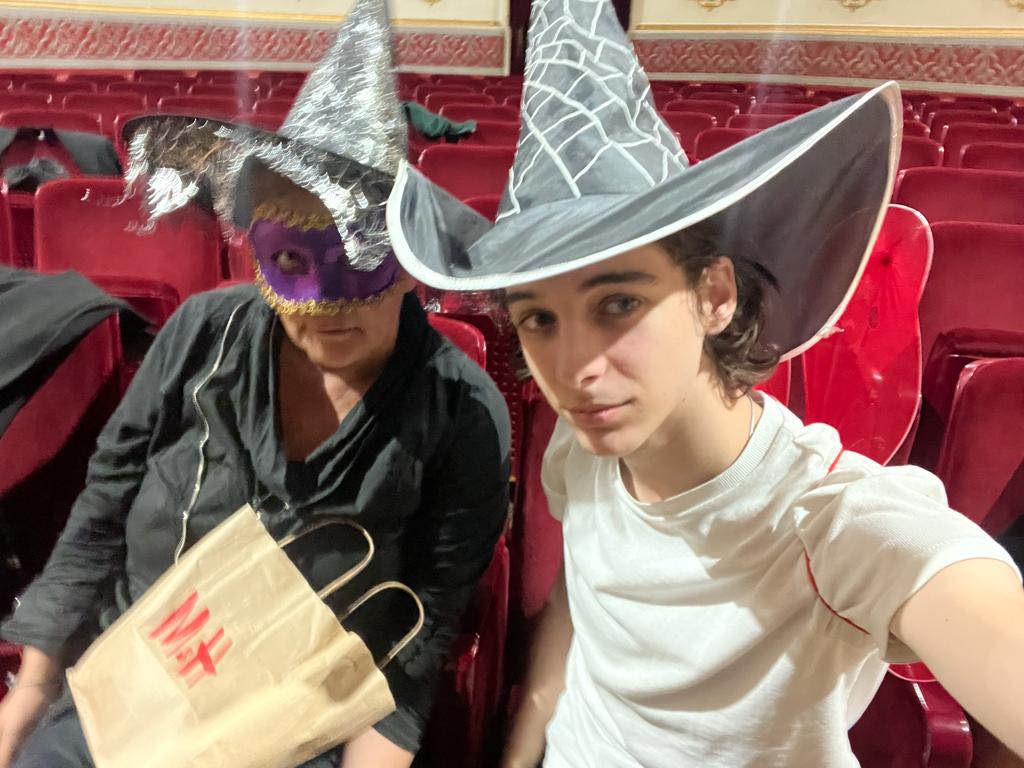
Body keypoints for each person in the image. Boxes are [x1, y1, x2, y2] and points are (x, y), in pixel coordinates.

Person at [385, 1, 1024, 766]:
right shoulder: (583, 455)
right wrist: (524, 747)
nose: (573, 370)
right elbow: (578, 604)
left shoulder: (830, 526)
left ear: (715, 294)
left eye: (618, 304)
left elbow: (949, 584)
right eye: (539, 319)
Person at [0, 2, 510, 766]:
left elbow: (420, 636)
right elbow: (105, 503)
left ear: (410, 261)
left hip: (286, 727)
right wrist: (33, 690)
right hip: (126, 689)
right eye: (295, 260)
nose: (328, 306)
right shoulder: (201, 333)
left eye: (361, 255)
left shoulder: (461, 411)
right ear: (256, 252)